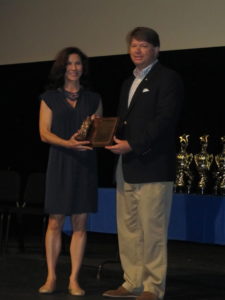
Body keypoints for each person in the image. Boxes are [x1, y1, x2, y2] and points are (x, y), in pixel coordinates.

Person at [103, 27, 183, 300]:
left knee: (152, 229)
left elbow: (164, 121)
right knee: (129, 229)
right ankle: (132, 281)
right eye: (134, 45)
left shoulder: (168, 79)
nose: (137, 50)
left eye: (144, 46)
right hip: (127, 166)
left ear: (156, 50)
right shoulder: (128, 82)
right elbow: (124, 123)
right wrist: (105, 135)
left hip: (153, 166)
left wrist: (133, 145)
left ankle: (152, 287)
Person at [38, 47, 102, 295]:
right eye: (70, 64)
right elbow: (44, 133)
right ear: (62, 68)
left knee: (80, 223)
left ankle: (74, 279)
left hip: (85, 164)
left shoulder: (94, 98)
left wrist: (92, 138)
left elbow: (98, 133)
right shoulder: (49, 98)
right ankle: (51, 277)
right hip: (60, 161)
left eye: (78, 64)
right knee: (54, 222)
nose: (74, 68)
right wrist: (68, 143)